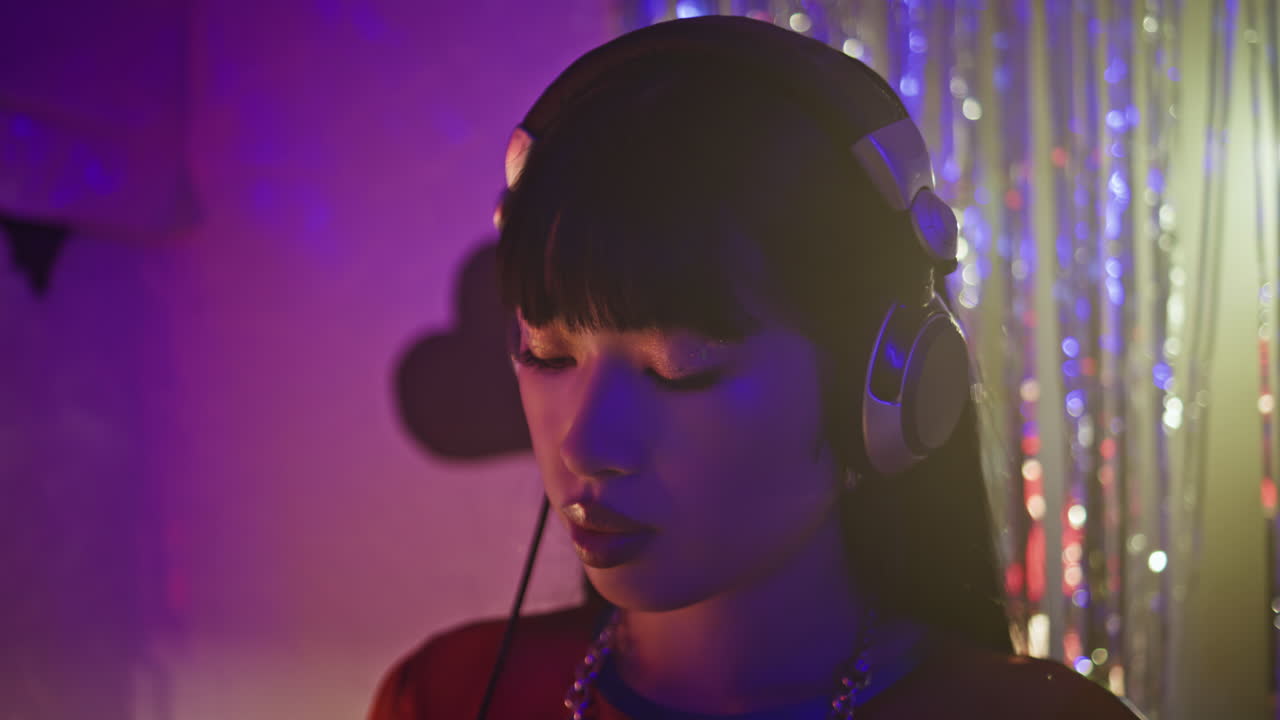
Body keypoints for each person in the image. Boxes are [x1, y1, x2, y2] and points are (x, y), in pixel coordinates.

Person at [369, 15, 1145, 720]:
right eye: (547, 355)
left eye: (677, 369)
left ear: (883, 389)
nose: (585, 445)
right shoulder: (448, 696)